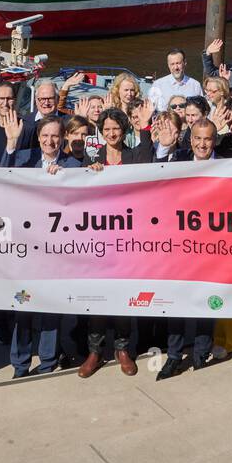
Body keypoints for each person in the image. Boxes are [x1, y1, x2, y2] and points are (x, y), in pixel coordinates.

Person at [0, 115, 81, 377]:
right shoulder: (23, 159)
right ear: (38, 137)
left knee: (50, 309)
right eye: (45, 135)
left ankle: (47, 362)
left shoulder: (73, 164)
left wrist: (66, 178)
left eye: (55, 136)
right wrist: (11, 143)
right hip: (26, 247)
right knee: (23, 308)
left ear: (63, 137)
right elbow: (0, 177)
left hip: (56, 251)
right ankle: (20, 364)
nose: (50, 141)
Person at [76, 109, 152, 379]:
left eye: (116, 129)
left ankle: (122, 349)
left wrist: (144, 127)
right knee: (97, 298)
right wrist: (91, 172)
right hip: (97, 238)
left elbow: (148, 158)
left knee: (122, 297)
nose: (111, 133)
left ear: (123, 130)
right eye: (106, 129)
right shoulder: (92, 157)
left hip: (127, 238)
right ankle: (95, 351)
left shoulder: (133, 157)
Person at [152, 118, 230, 377]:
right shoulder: (179, 160)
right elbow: (154, 174)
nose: (202, 144)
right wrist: (163, 148)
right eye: (197, 138)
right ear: (190, 139)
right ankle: (174, 356)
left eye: (207, 138)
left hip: (213, 247)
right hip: (180, 247)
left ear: (214, 140)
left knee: (206, 302)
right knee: (177, 303)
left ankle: (200, 355)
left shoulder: (228, 164)